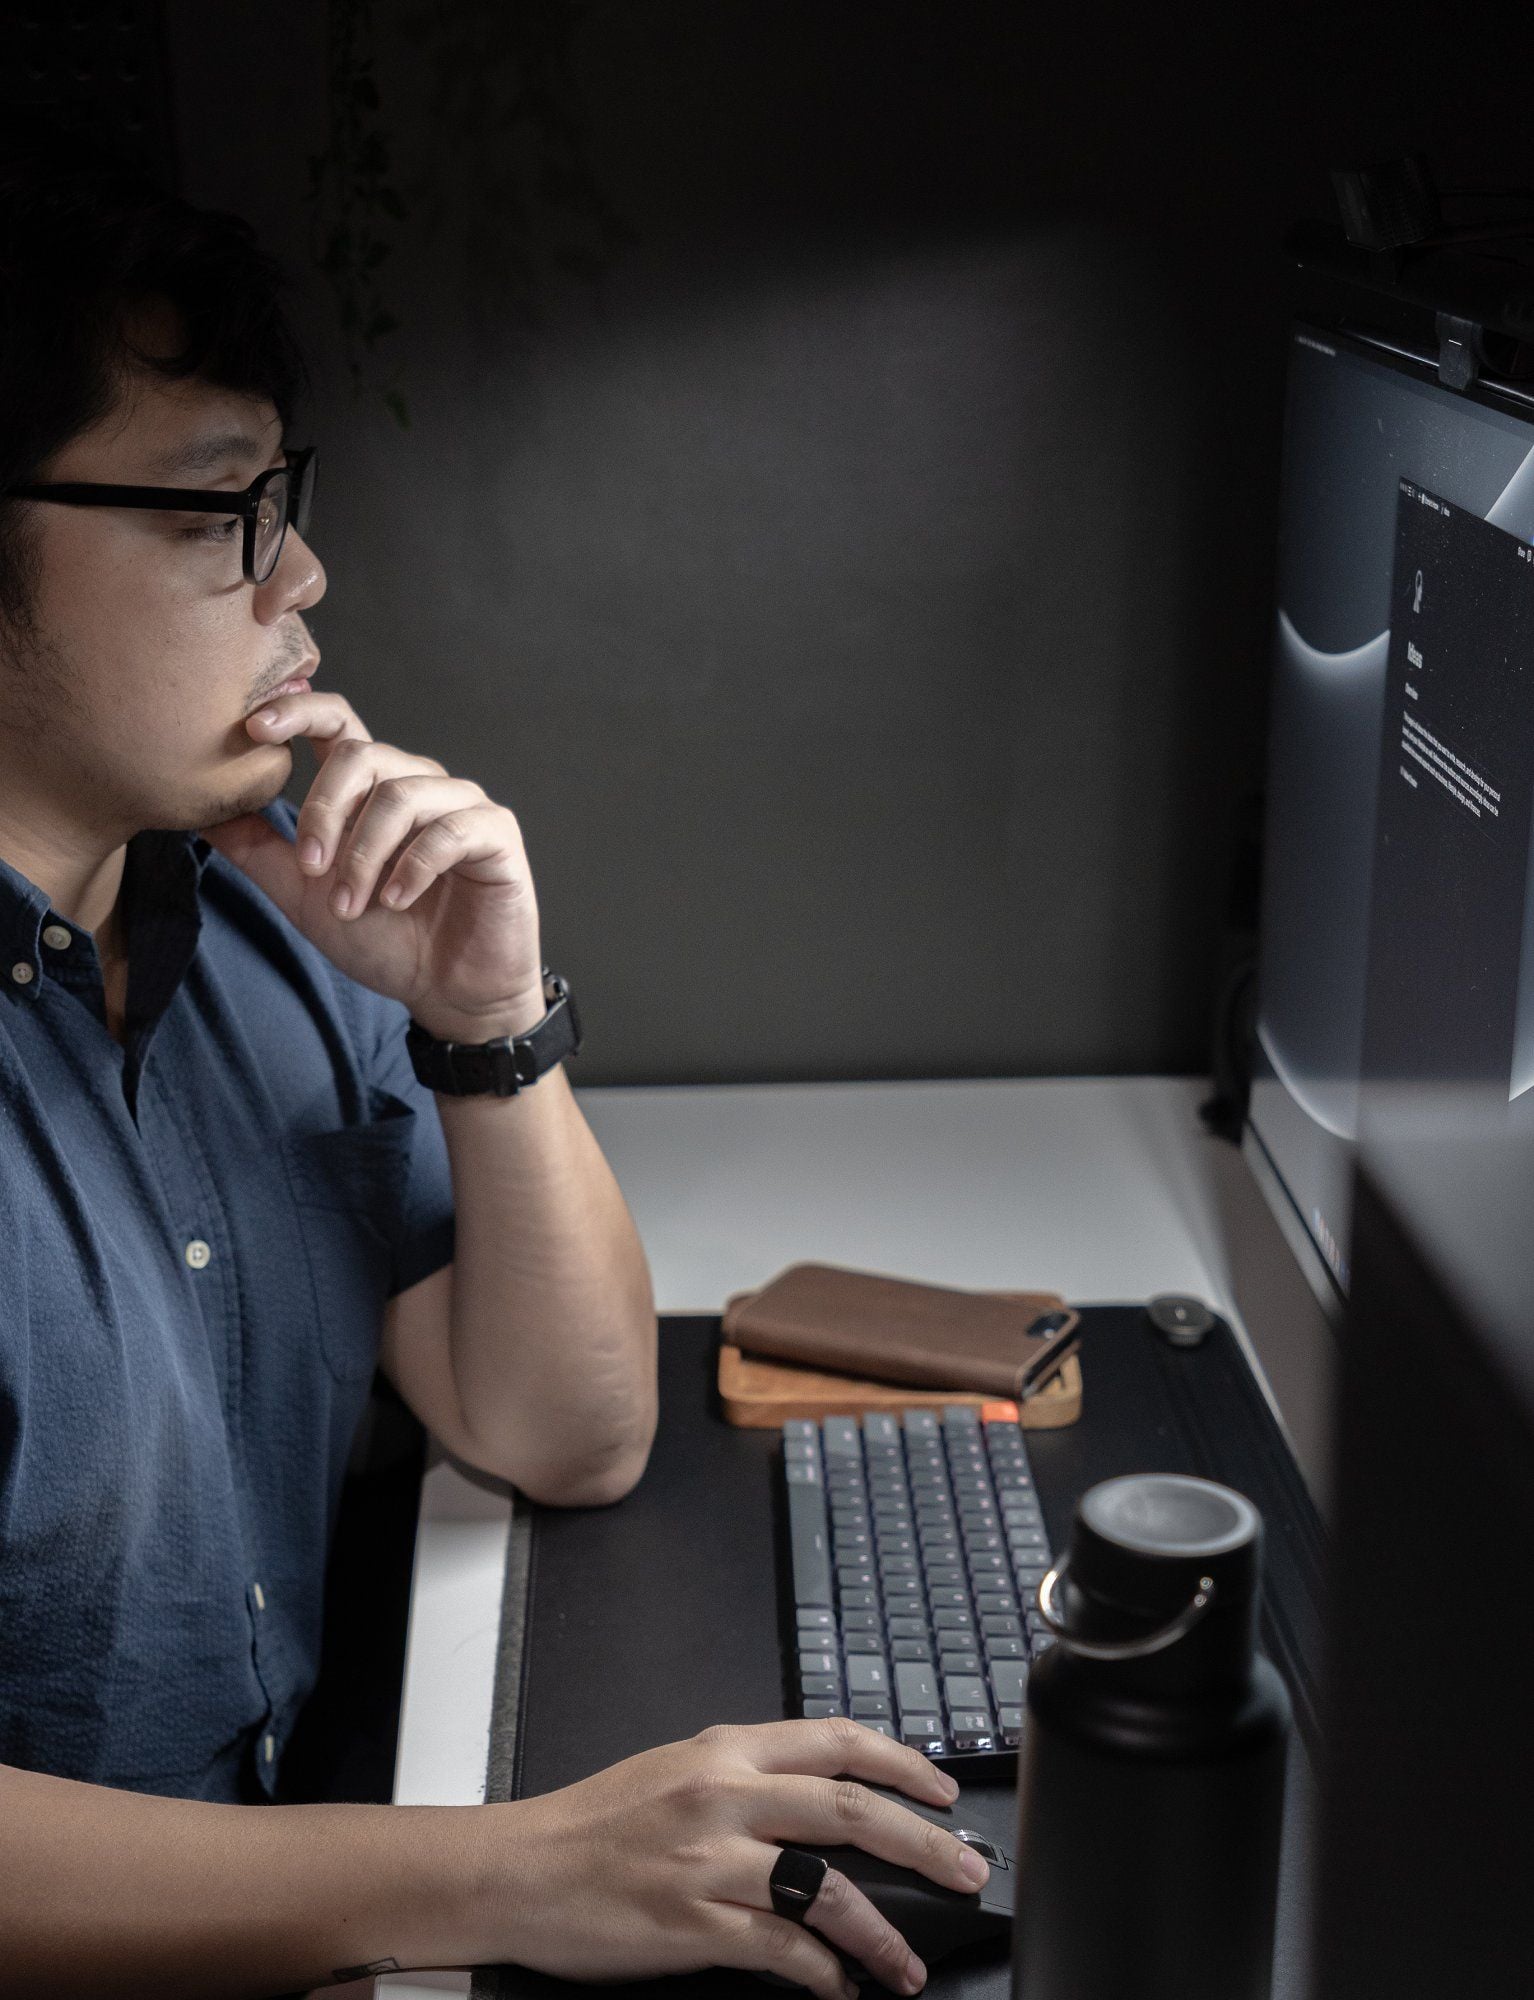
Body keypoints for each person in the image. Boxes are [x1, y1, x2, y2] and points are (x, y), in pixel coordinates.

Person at [0, 128, 985, 1998]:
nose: (301, 573)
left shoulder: (251, 918)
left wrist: (483, 1016)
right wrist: (501, 1872)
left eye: (282, 493)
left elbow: (566, 1423)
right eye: (220, 509)